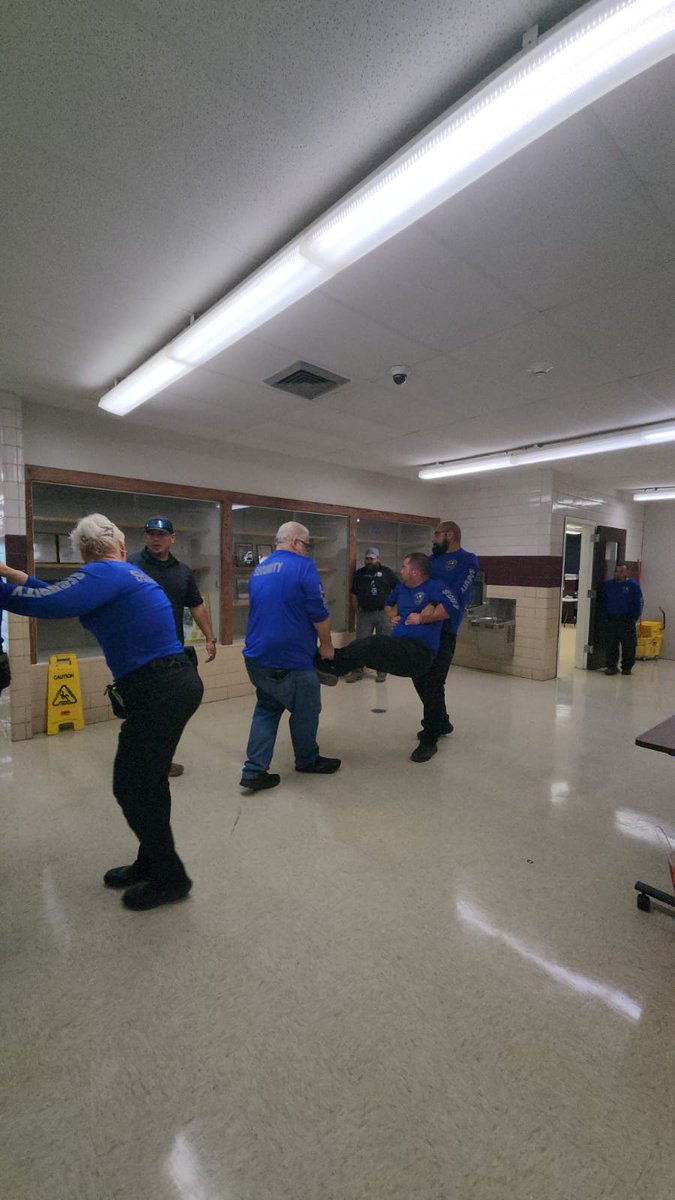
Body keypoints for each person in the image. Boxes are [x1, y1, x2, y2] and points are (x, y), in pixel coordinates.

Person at [0, 514, 203, 911]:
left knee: (131, 785)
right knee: (147, 783)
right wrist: (11, 573)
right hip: (170, 684)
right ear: (121, 547)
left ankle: (170, 877)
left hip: (161, 688)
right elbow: (58, 592)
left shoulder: (106, 575)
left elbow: (50, 601)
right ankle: (152, 861)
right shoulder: (120, 575)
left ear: (83, 553)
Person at [316, 553, 453, 762]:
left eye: (405, 566)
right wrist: (392, 615)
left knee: (374, 644)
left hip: (420, 652)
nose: (402, 569)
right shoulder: (401, 588)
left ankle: (333, 664)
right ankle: (438, 726)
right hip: (401, 648)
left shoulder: (436, 586)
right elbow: (388, 604)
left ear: (415, 571)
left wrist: (424, 617)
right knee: (426, 691)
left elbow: (451, 609)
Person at [240, 520, 341, 791]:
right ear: (296, 543)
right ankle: (307, 760)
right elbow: (318, 612)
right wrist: (327, 645)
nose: (307, 551)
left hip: (257, 656)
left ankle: (254, 770)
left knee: (267, 708)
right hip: (291, 659)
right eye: (306, 546)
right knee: (307, 710)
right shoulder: (302, 566)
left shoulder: (260, 569)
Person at [128, 516, 216, 778]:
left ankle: (159, 761)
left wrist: (210, 637)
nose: (156, 539)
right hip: (139, 652)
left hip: (172, 651)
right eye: (151, 534)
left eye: (162, 535)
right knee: (143, 711)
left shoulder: (182, 571)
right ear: (145, 537)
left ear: (172, 538)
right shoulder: (131, 565)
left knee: (170, 709)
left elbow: (196, 605)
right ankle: (142, 763)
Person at [419, 520, 479, 748]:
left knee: (434, 680)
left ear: (450, 535)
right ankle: (441, 720)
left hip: (445, 629)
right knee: (420, 675)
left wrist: (433, 610)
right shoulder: (431, 561)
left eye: (437, 534)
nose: (433, 539)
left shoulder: (467, 560)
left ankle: (430, 733)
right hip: (423, 628)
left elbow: (457, 595)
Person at [345, 547, 399, 683]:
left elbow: (399, 590)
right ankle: (357, 671)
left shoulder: (387, 573)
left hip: (383, 614)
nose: (369, 561)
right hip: (365, 614)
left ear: (378, 559)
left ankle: (382, 671)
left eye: (372, 559)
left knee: (383, 644)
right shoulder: (359, 574)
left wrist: (394, 610)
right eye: (367, 559)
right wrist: (356, 609)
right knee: (360, 643)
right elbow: (354, 593)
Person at [601, 563, 643, 676]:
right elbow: (603, 601)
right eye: (617, 571)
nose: (618, 574)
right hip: (611, 619)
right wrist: (604, 616)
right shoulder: (609, 585)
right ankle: (611, 666)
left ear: (626, 573)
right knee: (611, 644)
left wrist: (635, 617)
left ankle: (627, 667)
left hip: (627, 620)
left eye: (621, 571)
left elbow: (638, 602)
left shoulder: (633, 585)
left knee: (628, 645)